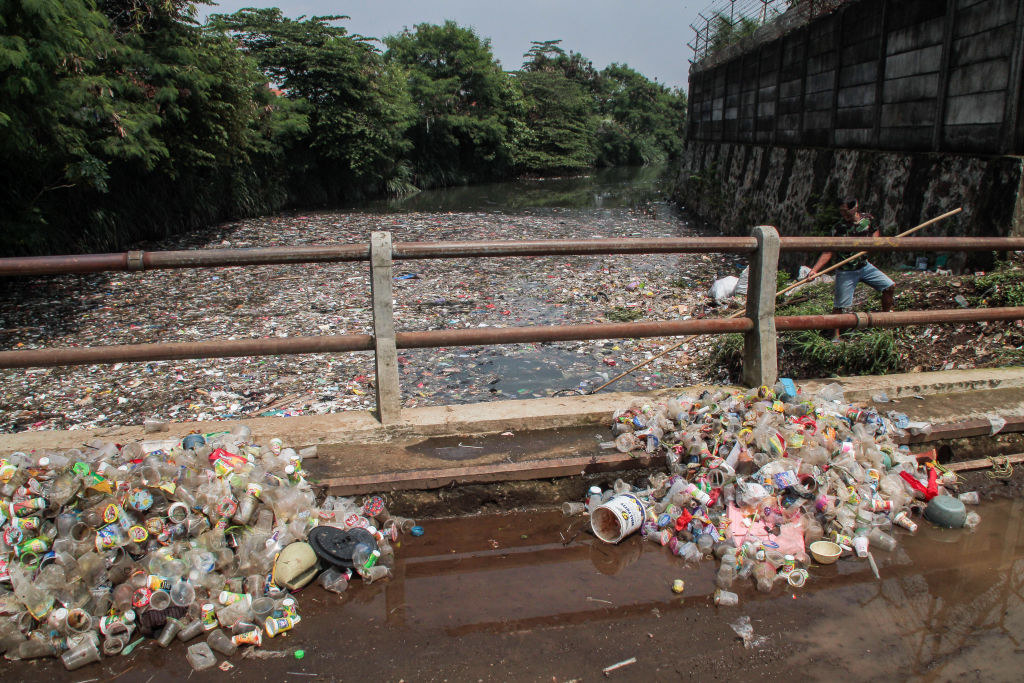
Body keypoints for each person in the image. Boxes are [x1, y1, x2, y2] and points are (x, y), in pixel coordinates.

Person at [806, 198, 895, 342]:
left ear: (855, 207)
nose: (844, 214)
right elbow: (829, 250)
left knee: (889, 286)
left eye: (846, 211)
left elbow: (875, 232)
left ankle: (886, 320)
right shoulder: (840, 227)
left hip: (864, 266)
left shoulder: (868, 219)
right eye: (841, 211)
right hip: (846, 270)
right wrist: (814, 270)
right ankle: (835, 336)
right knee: (840, 305)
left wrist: (872, 244)